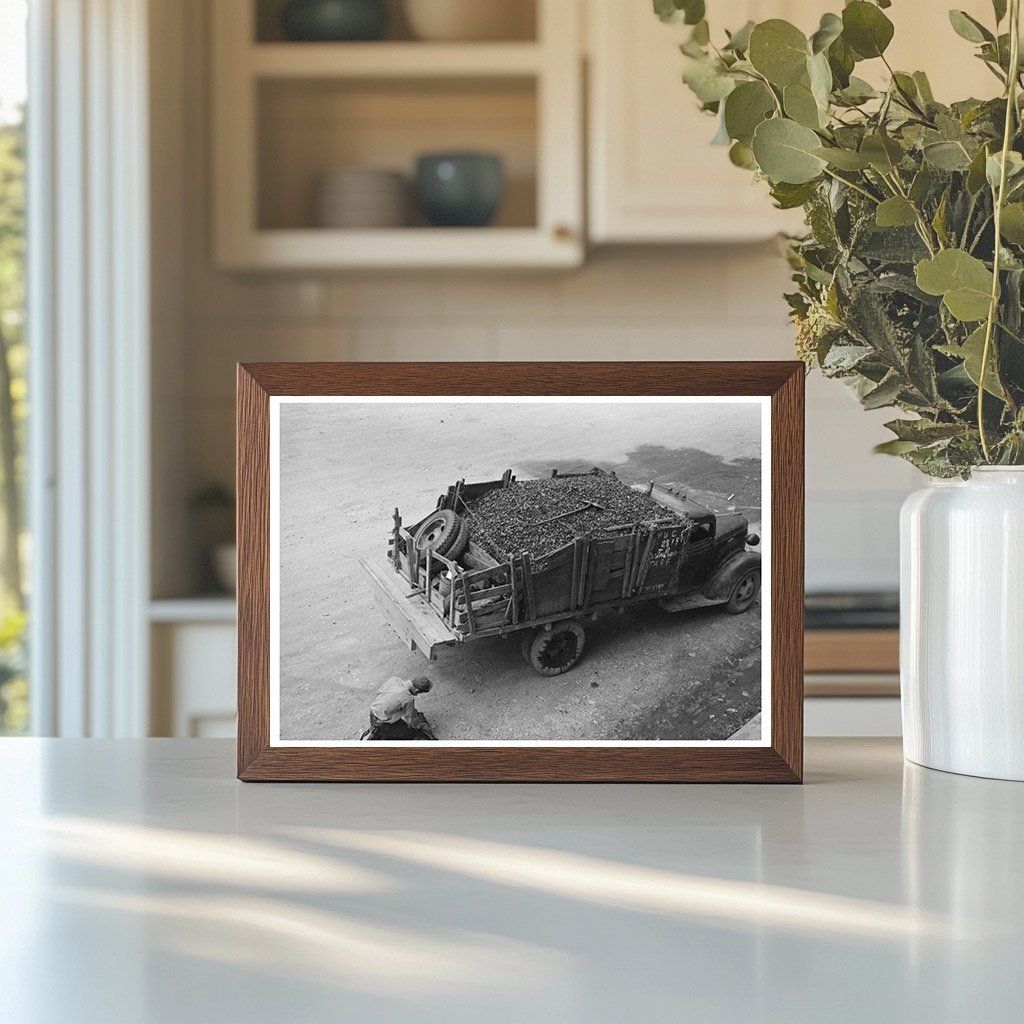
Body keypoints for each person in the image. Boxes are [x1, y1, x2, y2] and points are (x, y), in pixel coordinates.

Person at [361, 676, 437, 741]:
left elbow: (380, 693)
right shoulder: (407, 698)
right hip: (383, 723)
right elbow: (412, 721)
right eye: (420, 692)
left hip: (373, 713)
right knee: (409, 734)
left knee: (401, 725)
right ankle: (378, 735)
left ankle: (378, 730)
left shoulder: (395, 680)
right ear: (417, 690)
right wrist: (421, 725)